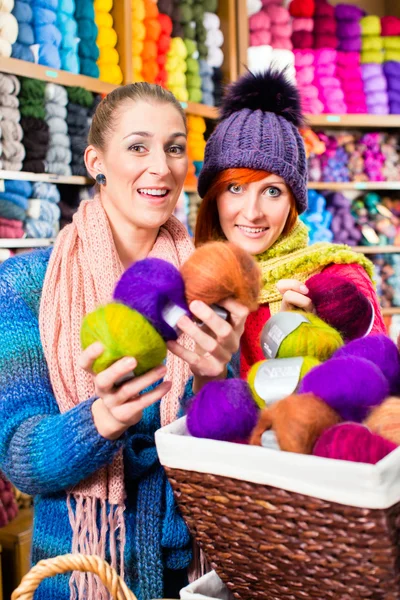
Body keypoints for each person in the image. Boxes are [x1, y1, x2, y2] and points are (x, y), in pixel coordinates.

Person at [0, 83, 248, 600]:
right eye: (138, 147)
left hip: (199, 573)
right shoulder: (26, 284)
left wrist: (211, 381)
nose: (161, 166)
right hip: (82, 576)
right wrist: (101, 420)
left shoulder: (208, 284)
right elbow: (19, 456)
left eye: (175, 147)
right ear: (96, 160)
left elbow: (232, 450)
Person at [194, 69, 386, 378]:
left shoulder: (337, 279)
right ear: (214, 195)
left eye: (272, 191)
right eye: (235, 188)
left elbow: (380, 387)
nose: (252, 212)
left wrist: (316, 346)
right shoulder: (197, 285)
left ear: (293, 202)